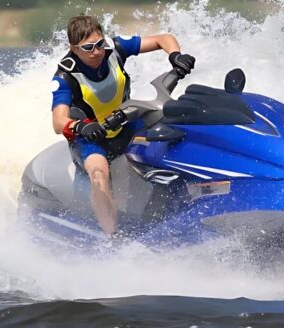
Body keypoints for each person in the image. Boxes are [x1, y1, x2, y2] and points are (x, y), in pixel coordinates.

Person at [50, 15, 195, 240]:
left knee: (172, 135)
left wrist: (176, 56)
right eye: (88, 48)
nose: (97, 52)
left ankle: (183, 205)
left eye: (99, 44)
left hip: (125, 123)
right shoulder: (64, 77)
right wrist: (81, 127)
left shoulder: (115, 48)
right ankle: (113, 238)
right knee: (99, 173)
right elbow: (58, 122)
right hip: (90, 136)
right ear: (74, 48)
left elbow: (163, 39)